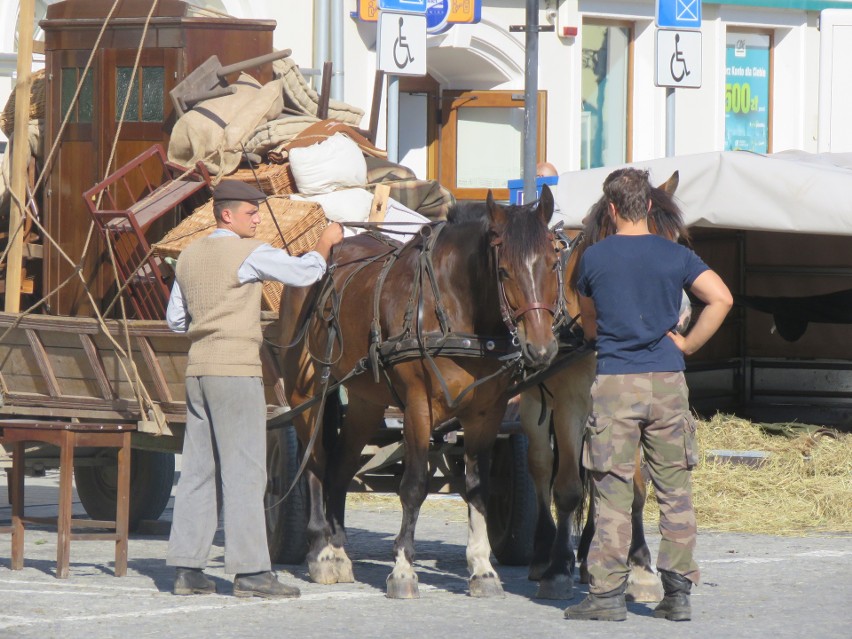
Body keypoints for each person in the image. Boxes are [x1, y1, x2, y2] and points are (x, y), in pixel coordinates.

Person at [564, 168, 733, 622]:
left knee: (612, 490)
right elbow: (721, 298)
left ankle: (606, 597)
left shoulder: (593, 259)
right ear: (652, 207)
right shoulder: (674, 254)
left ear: (612, 209)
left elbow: (589, 325)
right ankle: (677, 595)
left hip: (617, 382)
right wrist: (689, 343)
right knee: (675, 490)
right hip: (668, 381)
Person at [165, 180, 343, 598]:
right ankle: (251, 573)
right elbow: (305, 273)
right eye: (251, 212)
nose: (258, 218)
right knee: (246, 471)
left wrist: (210, 326)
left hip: (198, 372)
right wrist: (325, 243)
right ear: (227, 214)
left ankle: (188, 570)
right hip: (237, 372)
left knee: (197, 471)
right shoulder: (250, 253)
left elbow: (175, 321)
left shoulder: (188, 257)